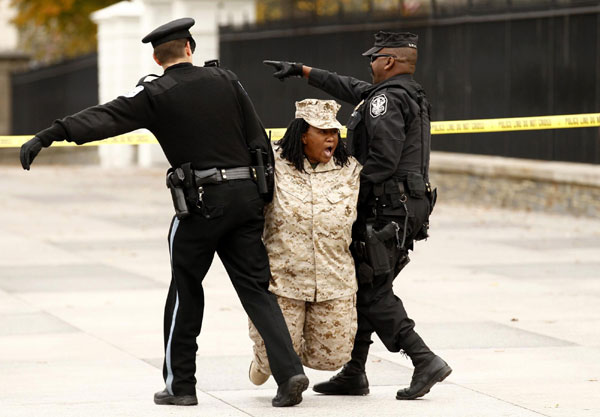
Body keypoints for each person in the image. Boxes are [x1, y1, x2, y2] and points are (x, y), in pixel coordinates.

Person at [19, 17, 309, 408]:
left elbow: (105, 118)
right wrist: (262, 193)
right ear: (190, 47)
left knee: (185, 291)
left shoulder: (155, 93)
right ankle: (289, 371)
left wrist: (51, 133)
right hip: (246, 199)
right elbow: (258, 138)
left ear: (157, 58)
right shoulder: (227, 80)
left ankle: (181, 386)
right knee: (256, 291)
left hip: (203, 204)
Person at [263, 31, 452, 400]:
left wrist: (343, 190)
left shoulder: (387, 102)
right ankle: (355, 371)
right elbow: (351, 87)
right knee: (365, 286)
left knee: (372, 291)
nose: (369, 63)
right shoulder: (401, 94)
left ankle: (423, 359)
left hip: (386, 209)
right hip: (402, 208)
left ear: (389, 62)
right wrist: (303, 71)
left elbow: (382, 161)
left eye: (374, 58)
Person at [248, 98, 361, 385]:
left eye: (334, 132)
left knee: (332, 358)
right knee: (276, 358)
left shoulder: (350, 169)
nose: (331, 138)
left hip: (334, 279)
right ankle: (263, 363)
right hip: (283, 279)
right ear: (302, 134)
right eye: (323, 132)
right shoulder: (274, 164)